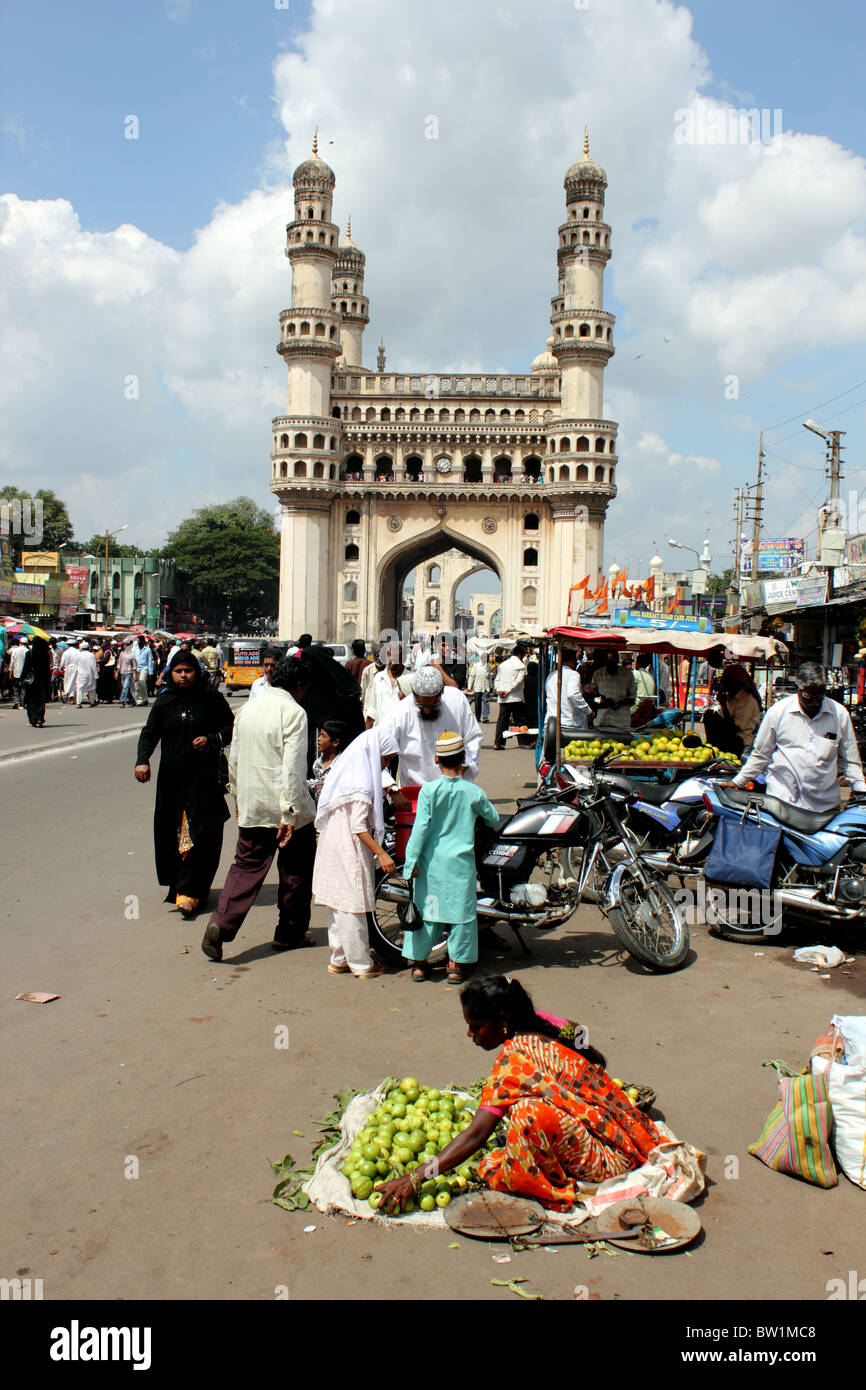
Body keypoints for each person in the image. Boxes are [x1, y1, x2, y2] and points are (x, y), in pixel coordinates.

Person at [376, 975, 661, 1214]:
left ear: (501, 1021)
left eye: (475, 1027)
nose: (469, 1034)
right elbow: (582, 1033)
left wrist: (415, 1177)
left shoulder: (512, 1065)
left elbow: (476, 1136)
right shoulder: (545, 1022)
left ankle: (544, 1186)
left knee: (526, 1114)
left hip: (608, 1160)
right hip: (621, 1134)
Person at [202, 656, 317, 960]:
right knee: (295, 872)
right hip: (286, 809)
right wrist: (290, 811)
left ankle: (221, 923)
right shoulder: (294, 712)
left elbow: (235, 759)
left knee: (246, 866)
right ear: (298, 686)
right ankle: (289, 932)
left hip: (253, 803)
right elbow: (294, 766)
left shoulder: (247, 709)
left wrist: (239, 797)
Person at [134, 650, 234, 918]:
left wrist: (212, 739)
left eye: (187, 671)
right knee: (172, 829)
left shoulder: (211, 699)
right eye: (178, 671)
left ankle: (192, 889)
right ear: (171, 673)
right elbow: (150, 731)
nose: (182, 676)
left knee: (201, 831)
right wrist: (142, 760)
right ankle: (179, 885)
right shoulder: (165, 701)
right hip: (172, 780)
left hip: (204, 779)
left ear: (197, 672)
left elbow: (231, 728)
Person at [402, 731, 500, 983]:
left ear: (436, 759)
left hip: (431, 864)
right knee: (461, 914)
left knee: (428, 911)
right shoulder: (473, 792)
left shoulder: (428, 791)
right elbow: (494, 819)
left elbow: (420, 829)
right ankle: (455, 964)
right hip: (460, 865)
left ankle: (420, 964)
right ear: (463, 759)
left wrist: (410, 862)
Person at [311, 728, 394, 978]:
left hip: (332, 844)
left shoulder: (346, 775)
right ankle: (361, 964)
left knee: (337, 905)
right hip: (348, 848)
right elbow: (359, 827)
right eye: (386, 759)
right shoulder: (362, 784)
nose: (385, 764)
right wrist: (382, 853)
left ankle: (339, 958)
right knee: (352, 907)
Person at [730, 661, 866, 812]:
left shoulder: (839, 714)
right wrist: (739, 782)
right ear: (798, 689)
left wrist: (861, 791)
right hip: (782, 804)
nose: (815, 702)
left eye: (819, 696)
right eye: (809, 696)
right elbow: (761, 755)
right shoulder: (778, 713)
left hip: (823, 808)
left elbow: (850, 761)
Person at [379, 665, 482, 787]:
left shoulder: (457, 700)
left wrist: (464, 768)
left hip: (456, 788)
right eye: (421, 705)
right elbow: (377, 751)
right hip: (417, 794)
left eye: (434, 704)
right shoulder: (400, 713)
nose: (427, 710)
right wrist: (391, 787)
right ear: (413, 693)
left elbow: (473, 738)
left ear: (442, 692)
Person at [543, 645, 592, 758]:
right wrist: (588, 711)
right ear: (572, 661)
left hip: (553, 724)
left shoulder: (551, 675)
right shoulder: (573, 674)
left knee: (551, 758)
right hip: (570, 726)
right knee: (572, 758)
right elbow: (572, 694)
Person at [703, 664, 762, 756]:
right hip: (730, 735)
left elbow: (734, 727)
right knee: (709, 715)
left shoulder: (748, 700)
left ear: (735, 682)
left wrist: (723, 704)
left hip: (740, 741)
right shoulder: (731, 697)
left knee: (710, 716)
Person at [364, 646, 413, 727]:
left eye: (397, 660)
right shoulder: (378, 678)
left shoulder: (411, 678)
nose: (393, 664)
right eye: (391, 660)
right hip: (381, 733)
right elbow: (372, 710)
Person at [492, 642, 528, 749]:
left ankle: (498, 743)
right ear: (521, 654)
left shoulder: (503, 665)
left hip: (503, 696)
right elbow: (518, 681)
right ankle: (523, 742)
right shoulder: (521, 666)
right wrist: (508, 690)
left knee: (502, 720)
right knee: (519, 720)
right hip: (515, 696)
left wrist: (499, 690)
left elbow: (497, 680)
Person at [593, 649, 636, 731]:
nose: (610, 663)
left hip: (621, 723)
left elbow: (632, 699)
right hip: (602, 722)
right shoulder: (597, 674)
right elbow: (593, 698)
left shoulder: (627, 675)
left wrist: (620, 703)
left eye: (613, 661)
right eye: (608, 661)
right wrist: (602, 701)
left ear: (617, 660)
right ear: (604, 661)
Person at [309, 719, 349, 801]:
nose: (318, 739)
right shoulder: (317, 763)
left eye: (323, 736)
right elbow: (317, 786)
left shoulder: (342, 765)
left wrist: (330, 786)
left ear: (335, 743)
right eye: (319, 735)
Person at [20, 635, 51, 728]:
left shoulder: (29, 653)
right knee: (40, 701)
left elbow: (26, 668)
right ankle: (40, 718)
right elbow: (47, 669)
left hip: (31, 681)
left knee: (31, 701)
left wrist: (22, 678)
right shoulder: (45, 654)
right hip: (42, 680)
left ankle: (33, 719)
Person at [465, 653, 491, 722]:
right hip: (477, 687)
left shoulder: (488, 666)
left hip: (486, 687)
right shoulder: (476, 666)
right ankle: (478, 717)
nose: (487, 660)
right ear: (481, 658)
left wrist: (491, 686)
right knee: (477, 703)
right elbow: (472, 676)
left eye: (487, 659)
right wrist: (469, 687)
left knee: (485, 701)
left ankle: (485, 717)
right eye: (486, 659)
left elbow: (489, 677)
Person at [73, 641, 98, 708]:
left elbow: (75, 665)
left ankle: (79, 703)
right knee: (92, 689)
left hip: (81, 674)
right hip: (90, 673)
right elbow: (93, 666)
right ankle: (92, 702)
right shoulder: (91, 655)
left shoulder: (78, 655)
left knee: (79, 688)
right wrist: (96, 675)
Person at [134, 635, 154, 706]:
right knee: (136, 684)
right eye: (137, 640)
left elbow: (149, 661)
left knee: (142, 682)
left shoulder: (147, 649)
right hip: (136, 668)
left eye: (139, 640)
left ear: (142, 641)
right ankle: (139, 699)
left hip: (144, 668)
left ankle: (144, 698)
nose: (138, 642)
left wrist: (151, 672)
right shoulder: (134, 649)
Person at [118, 639, 138, 706]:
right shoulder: (121, 653)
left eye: (126, 645)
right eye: (124, 645)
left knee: (125, 687)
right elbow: (119, 663)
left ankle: (122, 701)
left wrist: (135, 675)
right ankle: (132, 701)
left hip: (129, 672)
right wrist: (116, 672)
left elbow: (134, 666)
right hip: (122, 672)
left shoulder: (132, 654)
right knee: (125, 688)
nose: (125, 646)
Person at [9, 638, 28, 708]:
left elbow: (12, 662)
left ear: (20, 643)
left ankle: (16, 701)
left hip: (16, 672)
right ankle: (22, 704)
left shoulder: (15, 651)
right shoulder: (28, 651)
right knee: (23, 688)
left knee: (16, 687)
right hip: (25, 673)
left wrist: (10, 671)